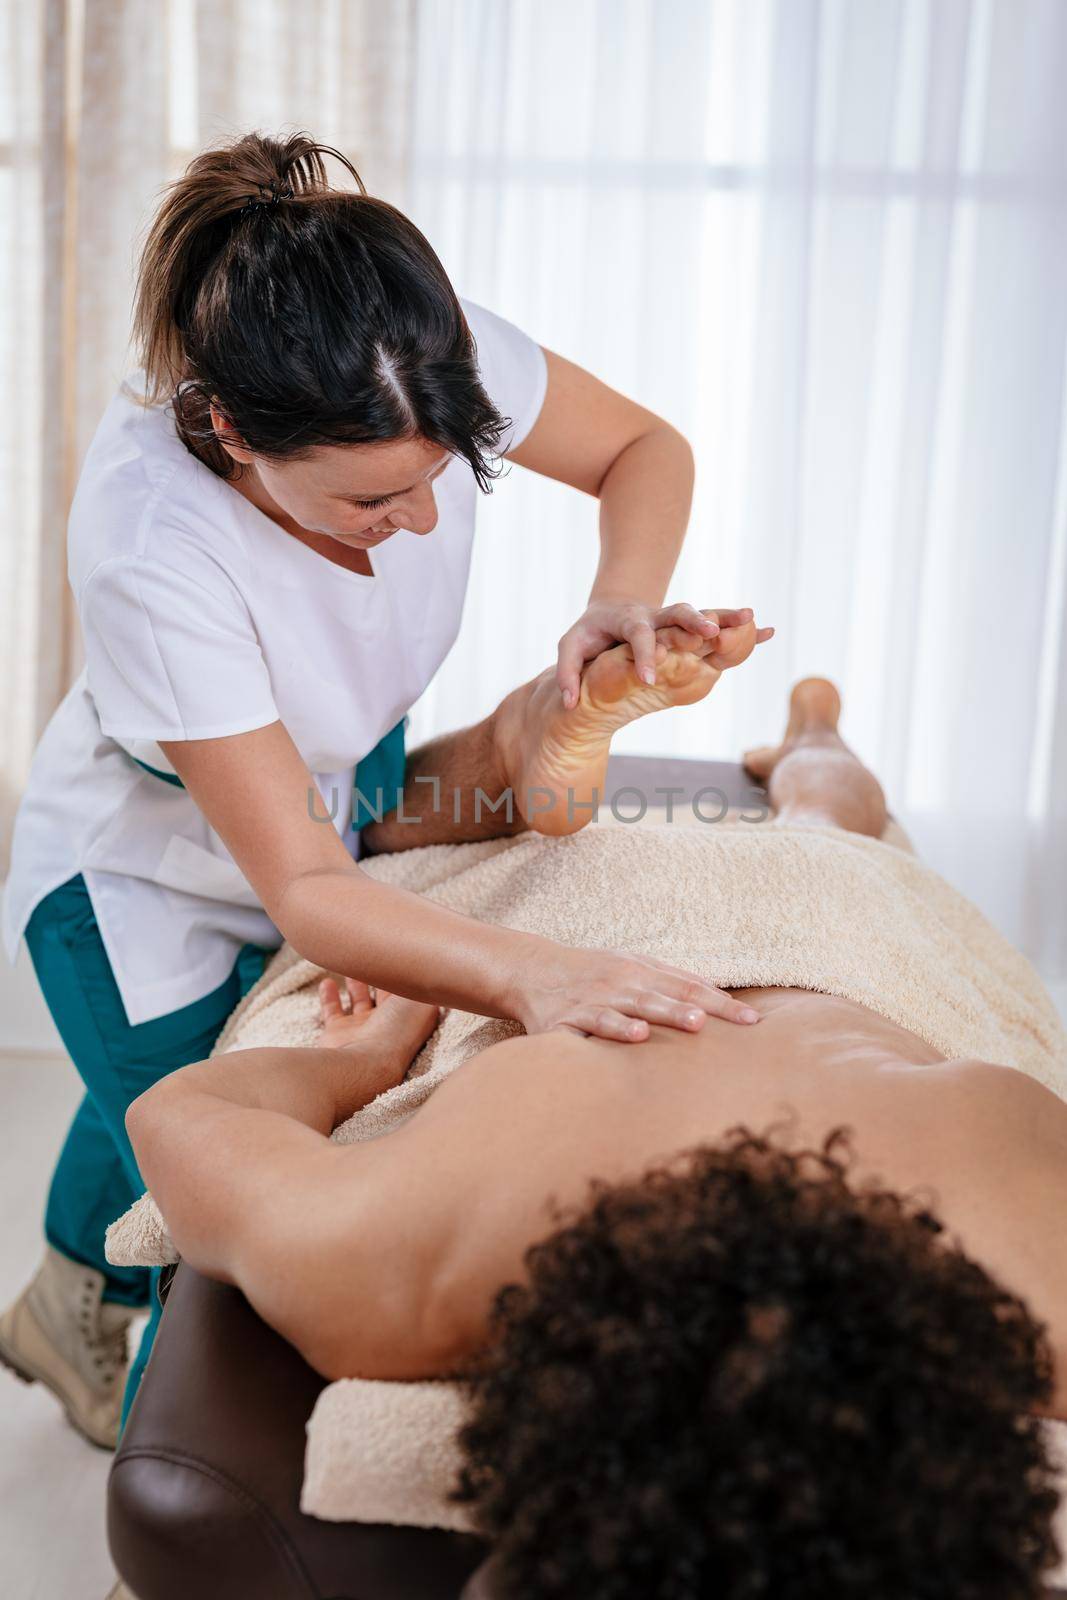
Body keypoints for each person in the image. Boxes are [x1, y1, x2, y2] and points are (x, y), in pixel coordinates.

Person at [0, 128, 771, 1449]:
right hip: (146, 877)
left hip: (330, 764)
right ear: (234, 433)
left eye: (443, 478)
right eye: (371, 501)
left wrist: (617, 602)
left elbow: (643, 445)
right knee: (203, 1146)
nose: (420, 523)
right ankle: (90, 1320)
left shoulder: (416, 350)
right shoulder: (149, 541)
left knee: (143, 1086)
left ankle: (57, 1280)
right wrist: (532, 973)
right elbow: (302, 889)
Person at [127, 621, 1067, 1598]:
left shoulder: (1037, 1281)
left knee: (829, 835)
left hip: (825, 930)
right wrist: (355, 1065)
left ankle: (807, 729)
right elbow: (181, 1117)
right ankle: (804, 730)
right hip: (672, 933)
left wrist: (362, 1061)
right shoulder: (400, 1277)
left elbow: (180, 1116)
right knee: (829, 834)